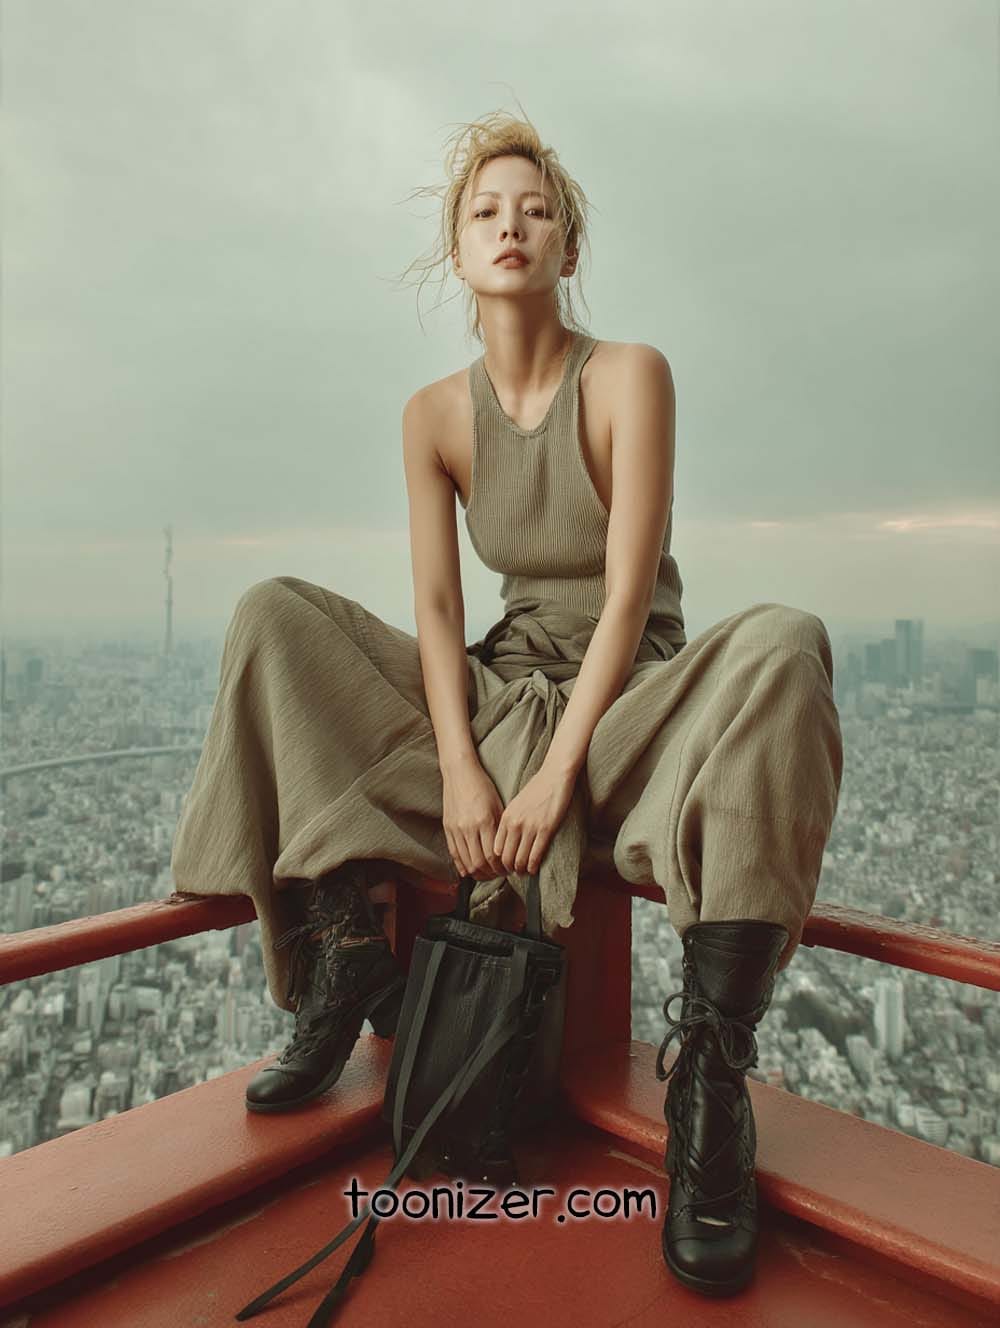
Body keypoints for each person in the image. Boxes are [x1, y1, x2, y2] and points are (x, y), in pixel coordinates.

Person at [169, 108, 843, 1299]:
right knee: (273, 613)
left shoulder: (628, 376)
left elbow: (629, 595)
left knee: (786, 642)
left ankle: (710, 1082)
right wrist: (471, 769)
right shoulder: (433, 414)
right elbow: (434, 610)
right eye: (487, 210)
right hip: (497, 688)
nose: (511, 225)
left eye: (536, 209)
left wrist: (550, 776)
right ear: (458, 249)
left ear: (567, 247)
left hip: (630, 698)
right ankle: (340, 960)